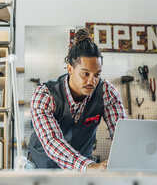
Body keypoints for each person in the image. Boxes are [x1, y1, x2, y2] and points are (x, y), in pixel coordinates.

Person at [27, 28, 127, 171]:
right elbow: (51, 140)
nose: (92, 81)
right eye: (85, 74)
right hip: (41, 167)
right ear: (69, 68)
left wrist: (126, 158)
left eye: (97, 75)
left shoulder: (106, 92)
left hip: (82, 170)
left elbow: (121, 133)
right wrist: (89, 167)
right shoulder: (45, 95)